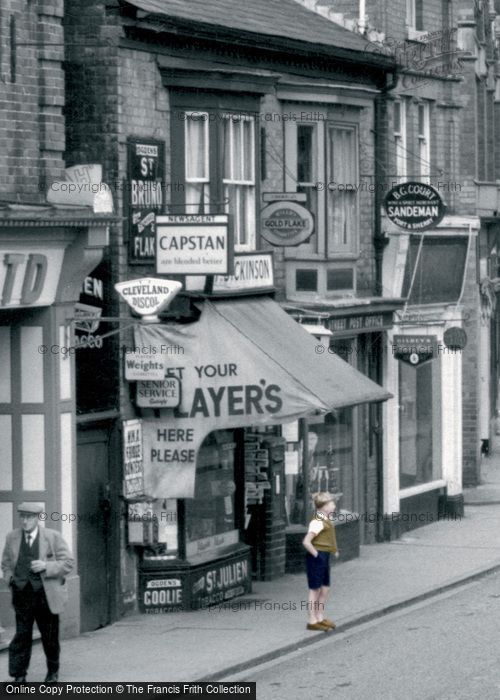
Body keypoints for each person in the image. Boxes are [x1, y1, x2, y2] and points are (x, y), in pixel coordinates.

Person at [1, 503, 74, 683]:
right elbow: (6, 563)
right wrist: (10, 580)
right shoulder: (12, 537)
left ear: (38, 518)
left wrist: (46, 566)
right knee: (22, 635)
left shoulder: (52, 537)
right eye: (23, 517)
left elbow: (68, 563)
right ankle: (19, 675)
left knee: (49, 636)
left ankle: (52, 671)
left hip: (46, 595)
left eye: (29, 517)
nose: (25, 521)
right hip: (22, 594)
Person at [302, 492, 339, 631]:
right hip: (317, 557)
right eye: (331, 504)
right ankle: (312, 620)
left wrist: (333, 550)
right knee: (315, 589)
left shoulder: (325, 518)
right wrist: (317, 555)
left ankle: (320, 617)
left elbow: (329, 536)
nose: (334, 506)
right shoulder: (317, 521)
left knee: (324, 588)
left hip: (324, 556)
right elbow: (306, 542)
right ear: (324, 507)